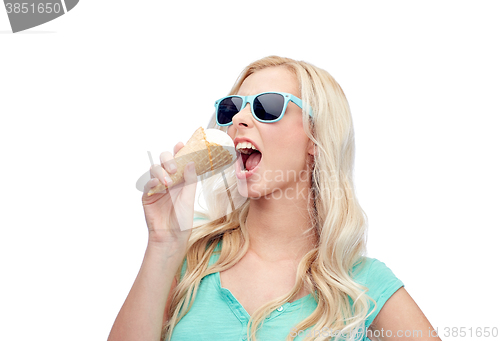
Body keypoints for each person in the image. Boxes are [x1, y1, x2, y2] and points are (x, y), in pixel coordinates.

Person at [108, 56, 441, 341]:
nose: (238, 119)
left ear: (315, 135)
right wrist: (164, 244)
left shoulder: (362, 285)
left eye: (267, 106)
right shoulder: (189, 260)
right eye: (232, 108)